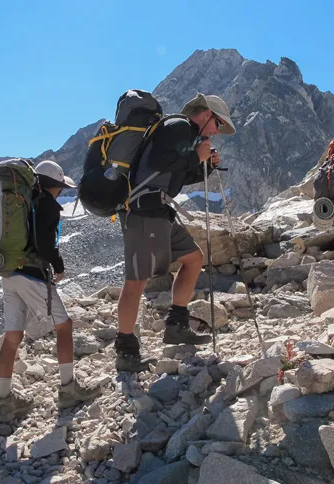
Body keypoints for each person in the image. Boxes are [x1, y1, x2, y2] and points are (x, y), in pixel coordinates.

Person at [114, 93, 236, 373]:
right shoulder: (178, 127)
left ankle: (176, 325)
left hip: (158, 212)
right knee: (136, 282)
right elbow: (159, 162)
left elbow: (177, 174)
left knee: (194, 258)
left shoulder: (186, 133)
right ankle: (125, 351)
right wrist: (196, 155)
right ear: (206, 114)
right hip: (144, 212)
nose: (217, 131)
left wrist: (205, 165)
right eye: (218, 124)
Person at [0, 160, 102, 423]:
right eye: (60, 188)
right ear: (53, 186)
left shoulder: (22, 203)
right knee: (64, 325)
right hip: (32, 274)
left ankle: (4, 404)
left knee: (12, 337)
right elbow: (45, 245)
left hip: (8, 273)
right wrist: (58, 266)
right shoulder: (47, 205)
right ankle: (68, 388)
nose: (60, 193)